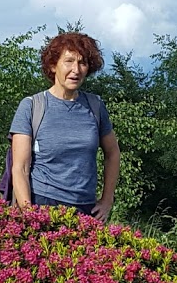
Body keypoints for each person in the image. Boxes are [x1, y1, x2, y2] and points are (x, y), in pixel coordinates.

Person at [9, 31, 120, 223]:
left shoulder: (95, 106)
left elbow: (113, 153)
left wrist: (107, 200)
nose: (76, 70)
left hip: (86, 210)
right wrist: (29, 215)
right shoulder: (32, 106)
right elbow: (20, 167)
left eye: (82, 63)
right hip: (42, 205)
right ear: (53, 65)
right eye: (68, 61)